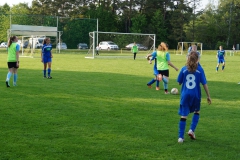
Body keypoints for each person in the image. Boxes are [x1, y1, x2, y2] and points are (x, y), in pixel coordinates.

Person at [177, 51, 211, 143]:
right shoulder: (200, 70)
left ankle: (180, 137)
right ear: (197, 60)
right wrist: (208, 96)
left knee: (184, 115)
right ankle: (191, 130)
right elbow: (204, 84)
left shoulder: (183, 69)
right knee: (197, 111)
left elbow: (179, 82)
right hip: (196, 95)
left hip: (185, 95)